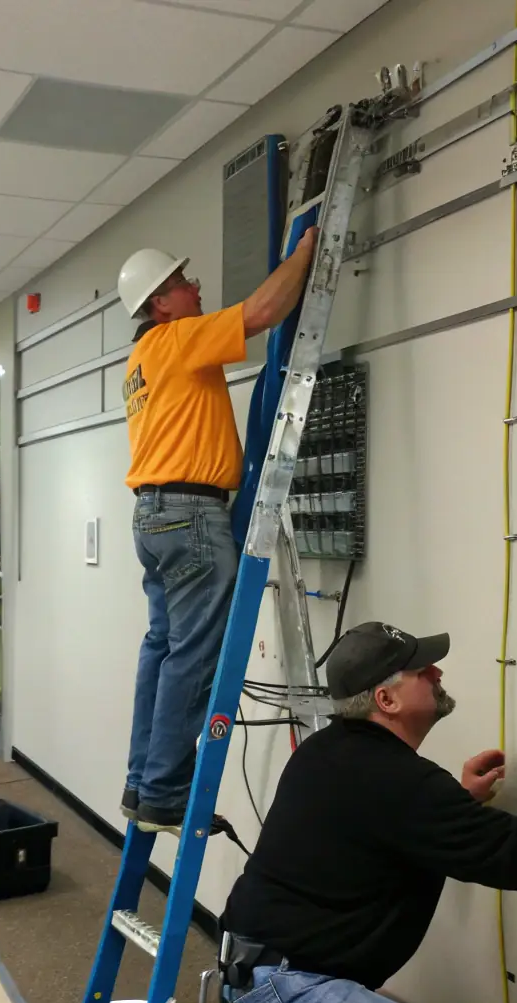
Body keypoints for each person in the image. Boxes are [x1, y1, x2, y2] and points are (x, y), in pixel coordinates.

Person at [217, 622, 517, 1003]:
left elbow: (378, 826)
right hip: (285, 989)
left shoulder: (328, 751)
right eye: (420, 669)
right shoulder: (397, 780)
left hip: (253, 968)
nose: (437, 672)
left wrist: (460, 800)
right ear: (385, 699)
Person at [117, 227, 319, 834]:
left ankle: (141, 785)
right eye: (183, 282)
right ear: (160, 303)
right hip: (189, 515)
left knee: (162, 649)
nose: (195, 286)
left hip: (153, 518)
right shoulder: (175, 340)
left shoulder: (139, 362)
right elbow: (261, 312)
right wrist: (305, 253)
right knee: (192, 656)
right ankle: (165, 795)